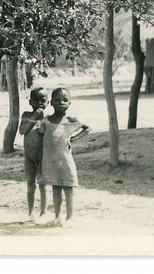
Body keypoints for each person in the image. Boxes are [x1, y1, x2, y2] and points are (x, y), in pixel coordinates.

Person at [36, 87, 90, 227]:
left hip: (65, 159)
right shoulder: (46, 121)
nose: (61, 103)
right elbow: (41, 142)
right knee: (56, 187)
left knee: (68, 187)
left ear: (70, 103)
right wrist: (40, 162)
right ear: (51, 103)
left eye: (65, 100)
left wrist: (73, 138)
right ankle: (57, 217)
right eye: (57, 100)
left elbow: (87, 128)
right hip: (50, 161)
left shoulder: (70, 120)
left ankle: (70, 217)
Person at [18, 86, 49, 221]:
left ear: (48, 102)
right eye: (35, 100)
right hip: (29, 156)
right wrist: (35, 118)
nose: (39, 103)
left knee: (43, 184)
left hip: (43, 157)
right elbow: (22, 131)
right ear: (30, 102)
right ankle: (31, 213)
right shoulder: (26, 115)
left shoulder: (48, 119)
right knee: (31, 184)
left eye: (42, 100)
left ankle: (43, 213)